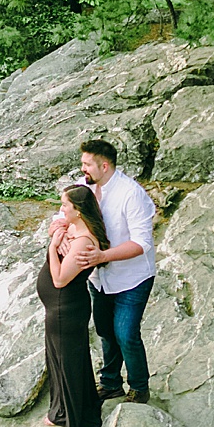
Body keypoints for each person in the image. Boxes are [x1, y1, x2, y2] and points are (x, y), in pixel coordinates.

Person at [69, 139, 156, 403]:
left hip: (132, 277)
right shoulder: (85, 186)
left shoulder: (131, 194)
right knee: (105, 331)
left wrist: (102, 256)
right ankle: (111, 383)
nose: (82, 168)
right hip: (100, 278)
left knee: (126, 333)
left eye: (87, 164)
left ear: (104, 166)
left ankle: (140, 388)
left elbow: (142, 242)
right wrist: (57, 227)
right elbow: (66, 211)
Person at [37, 185, 109, 427]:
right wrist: (58, 231)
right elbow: (57, 224)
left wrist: (52, 247)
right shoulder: (74, 228)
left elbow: (59, 279)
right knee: (59, 360)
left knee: (69, 364)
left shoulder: (82, 243)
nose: (62, 209)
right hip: (59, 308)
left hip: (65, 308)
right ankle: (62, 411)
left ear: (78, 211)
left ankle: (75, 421)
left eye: (65, 206)